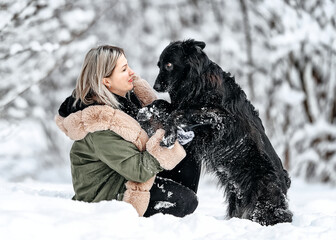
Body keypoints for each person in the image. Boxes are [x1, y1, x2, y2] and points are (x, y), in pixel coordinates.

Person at [55, 45, 198, 217]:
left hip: (126, 173)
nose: (132, 72)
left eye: (128, 66)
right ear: (106, 81)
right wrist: (167, 143)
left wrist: (176, 135)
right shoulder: (99, 121)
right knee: (184, 201)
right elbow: (137, 170)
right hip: (107, 194)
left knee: (191, 151)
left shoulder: (129, 100)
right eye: (124, 69)